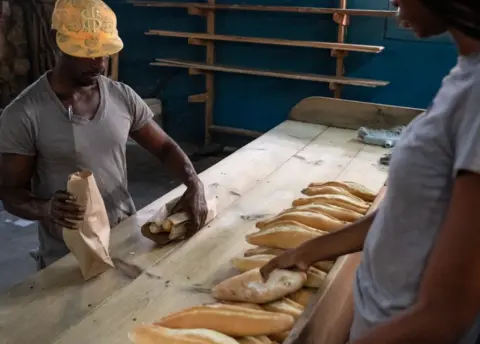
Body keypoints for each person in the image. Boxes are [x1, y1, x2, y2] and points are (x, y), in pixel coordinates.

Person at [261, 1, 480, 343]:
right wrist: (309, 250)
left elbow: (445, 314)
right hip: (382, 320)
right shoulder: (465, 74)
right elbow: (408, 214)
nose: (392, 1)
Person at [0, 0, 208, 270]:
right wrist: (46, 208)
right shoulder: (25, 114)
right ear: (56, 41)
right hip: (67, 258)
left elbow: (165, 147)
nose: (98, 62)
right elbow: (10, 192)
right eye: (87, 52)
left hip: (125, 240)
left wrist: (194, 183)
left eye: (104, 52)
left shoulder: (122, 97)